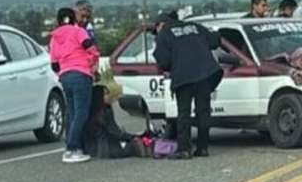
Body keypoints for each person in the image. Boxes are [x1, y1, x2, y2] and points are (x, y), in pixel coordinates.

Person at [153, 11, 223, 159]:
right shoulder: (194, 26)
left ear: (161, 24)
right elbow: (214, 41)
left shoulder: (164, 33)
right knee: (203, 111)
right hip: (205, 74)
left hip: (184, 77)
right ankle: (203, 148)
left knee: (184, 113)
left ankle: (184, 150)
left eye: (156, 28)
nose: (157, 32)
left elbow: (163, 61)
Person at [49, 7, 100, 163]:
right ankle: (73, 148)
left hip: (65, 76)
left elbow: (54, 64)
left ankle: (70, 146)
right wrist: (93, 62)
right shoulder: (78, 32)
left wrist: (63, 73)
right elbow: (89, 47)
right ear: (73, 19)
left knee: (71, 112)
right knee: (81, 112)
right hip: (81, 73)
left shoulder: (54, 38)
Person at [83, 85, 142, 159]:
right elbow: (114, 131)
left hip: (90, 149)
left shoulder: (89, 112)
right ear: (99, 97)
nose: (109, 96)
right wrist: (131, 137)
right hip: (106, 149)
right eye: (106, 94)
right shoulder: (105, 111)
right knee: (133, 146)